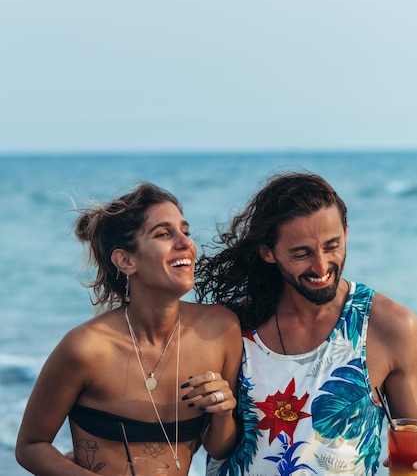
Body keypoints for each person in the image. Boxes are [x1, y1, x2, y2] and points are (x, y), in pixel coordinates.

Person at [195, 171, 417, 475]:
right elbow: (212, 444)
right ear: (268, 253)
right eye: (302, 253)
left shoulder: (388, 326)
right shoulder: (233, 325)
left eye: (332, 245)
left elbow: (411, 442)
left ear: (347, 232)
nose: (322, 266)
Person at [16, 182, 242, 476]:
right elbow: (31, 446)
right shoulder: (87, 348)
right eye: (163, 233)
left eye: (185, 231)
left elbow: (219, 447)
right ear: (126, 260)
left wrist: (223, 413)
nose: (185, 242)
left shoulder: (221, 330)